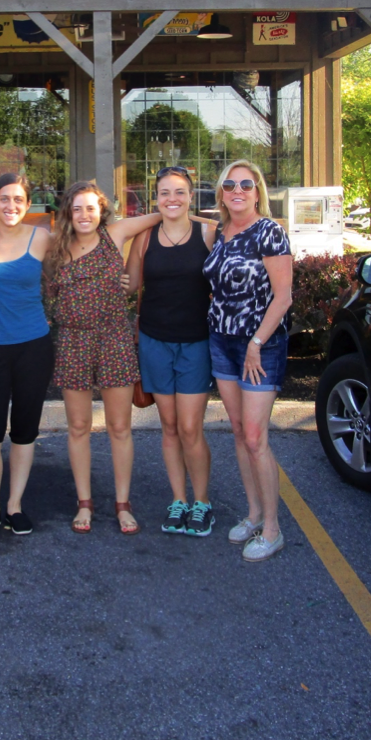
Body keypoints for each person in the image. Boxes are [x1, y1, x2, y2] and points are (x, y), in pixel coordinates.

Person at [48, 181, 160, 535]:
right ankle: (85, 502)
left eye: (90, 208)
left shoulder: (116, 234)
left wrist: (218, 219)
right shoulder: (56, 247)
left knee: (119, 427)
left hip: (114, 338)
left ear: (102, 211)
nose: (84, 215)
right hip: (72, 342)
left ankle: (123, 504)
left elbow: (165, 213)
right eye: (77, 208)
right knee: (78, 428)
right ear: (68, 212)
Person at [203, 159, 293, 562]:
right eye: (229, 185)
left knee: (256, 438)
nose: (237, 190)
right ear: (221, 193)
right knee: (239, 431)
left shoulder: (270, 232)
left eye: (246, 184)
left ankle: (273, 530)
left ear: (258, 191)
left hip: (260, 346)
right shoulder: (219, 233)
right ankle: (255, 514)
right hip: (221, 341)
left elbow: (284, 297)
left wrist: (257, 341)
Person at [125, 167, 218, 537]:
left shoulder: (208, 233)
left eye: (179, 192)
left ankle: (203, 502)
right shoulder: (146, 237)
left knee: (191, 427)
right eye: (164, 193)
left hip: (196, 342)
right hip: (154, 341)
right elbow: (130, 285)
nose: (172, 199)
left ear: (191, 197)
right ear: (156, 198)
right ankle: (178, 500)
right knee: (169, 427)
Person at [0, 173, 54, 540]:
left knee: (24, 432)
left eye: (18, 199)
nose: (11, 206)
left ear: (28, 204)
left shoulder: (42, 238)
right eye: (4, 198)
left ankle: (14, 505)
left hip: (33, 346)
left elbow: (66, 274)